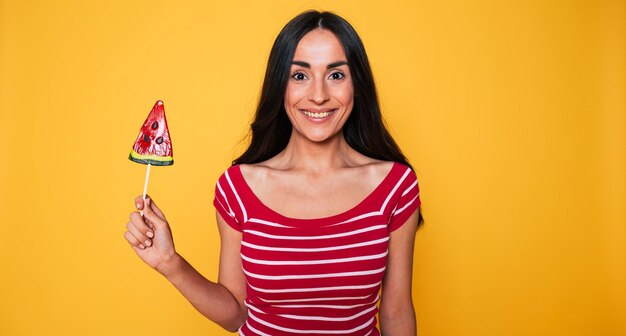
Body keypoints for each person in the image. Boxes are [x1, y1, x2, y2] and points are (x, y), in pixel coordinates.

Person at [125, 10, 423, 336]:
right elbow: (235, 314)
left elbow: (396, 312)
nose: (319, 95)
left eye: (336, 75)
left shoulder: (397, 185)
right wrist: (170, 263)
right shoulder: (237, 187)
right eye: (300, 76)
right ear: (280, 84)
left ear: (357, 85)